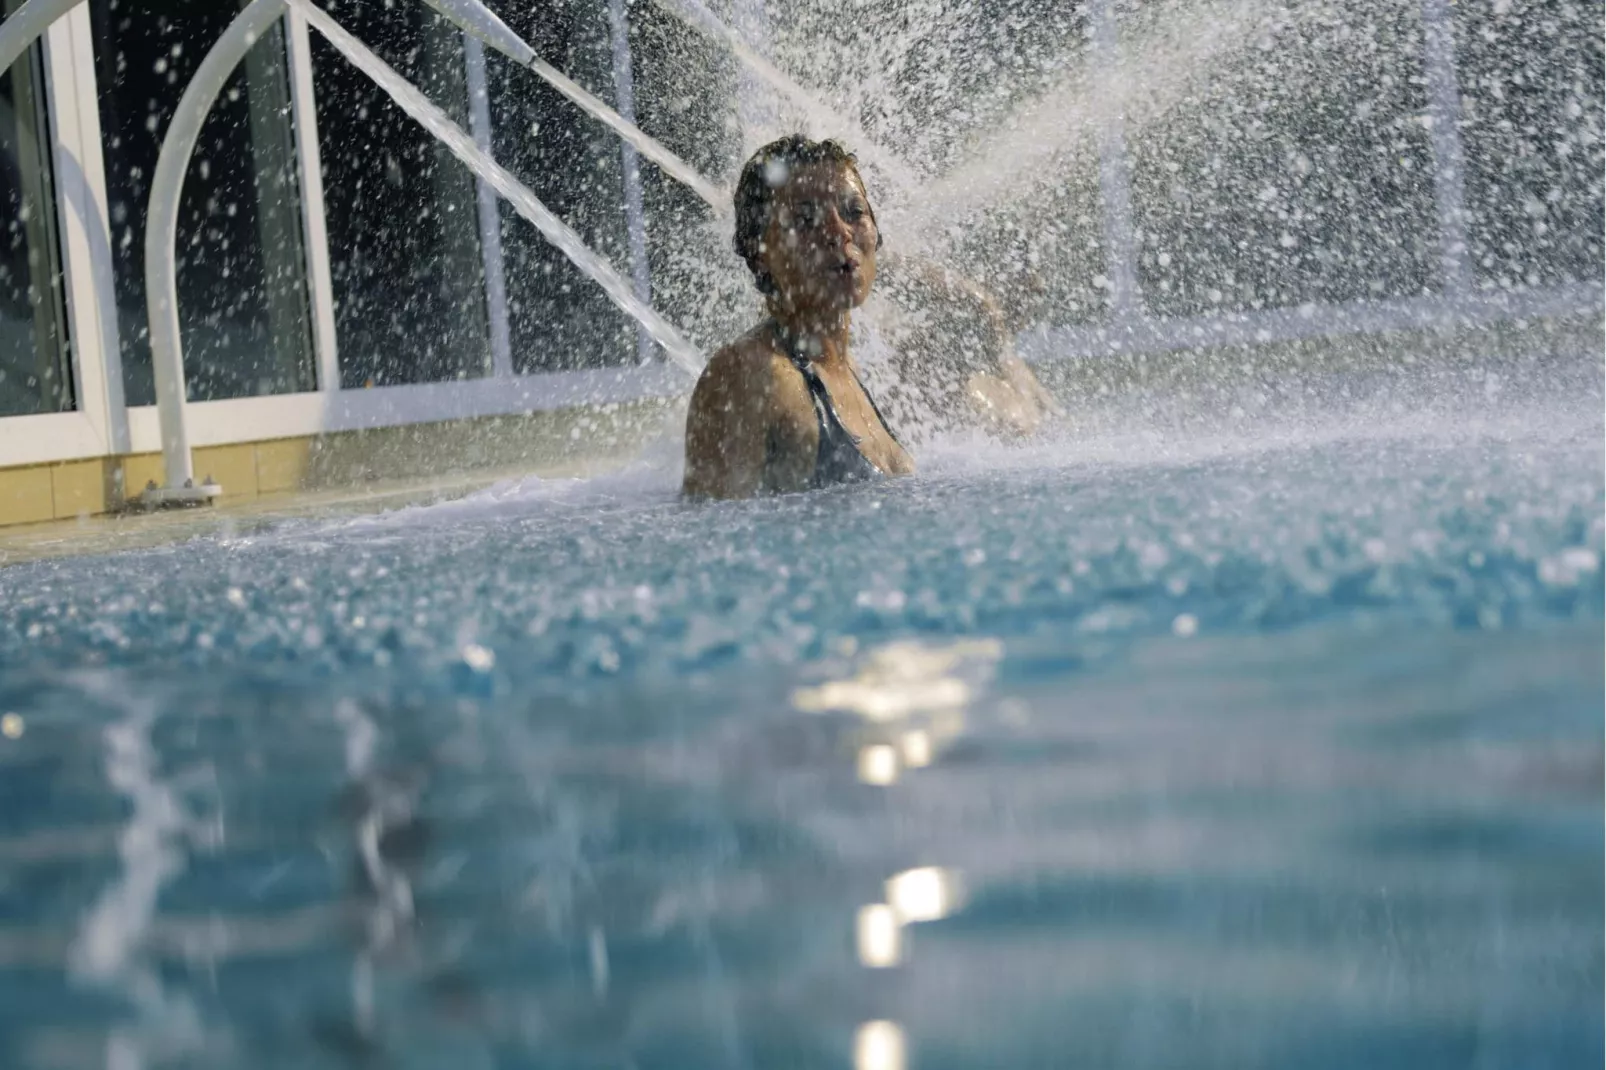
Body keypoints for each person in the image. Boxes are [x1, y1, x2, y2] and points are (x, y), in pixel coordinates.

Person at [683, 135, 914, 499]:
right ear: (761, 255)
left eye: (854, 211)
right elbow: (710, 538)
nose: (839, 231)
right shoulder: (749, 373)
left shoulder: (847, 370)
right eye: (806, 220)